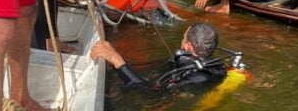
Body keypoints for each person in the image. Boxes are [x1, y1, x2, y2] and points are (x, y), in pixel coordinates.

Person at [91, 23, 227, 89]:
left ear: (188, 46)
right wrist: (117, 60)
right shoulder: (215, 67)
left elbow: (148, 92)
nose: (182, 39)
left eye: (184, 37)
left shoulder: (190, 75)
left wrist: (117, 60)